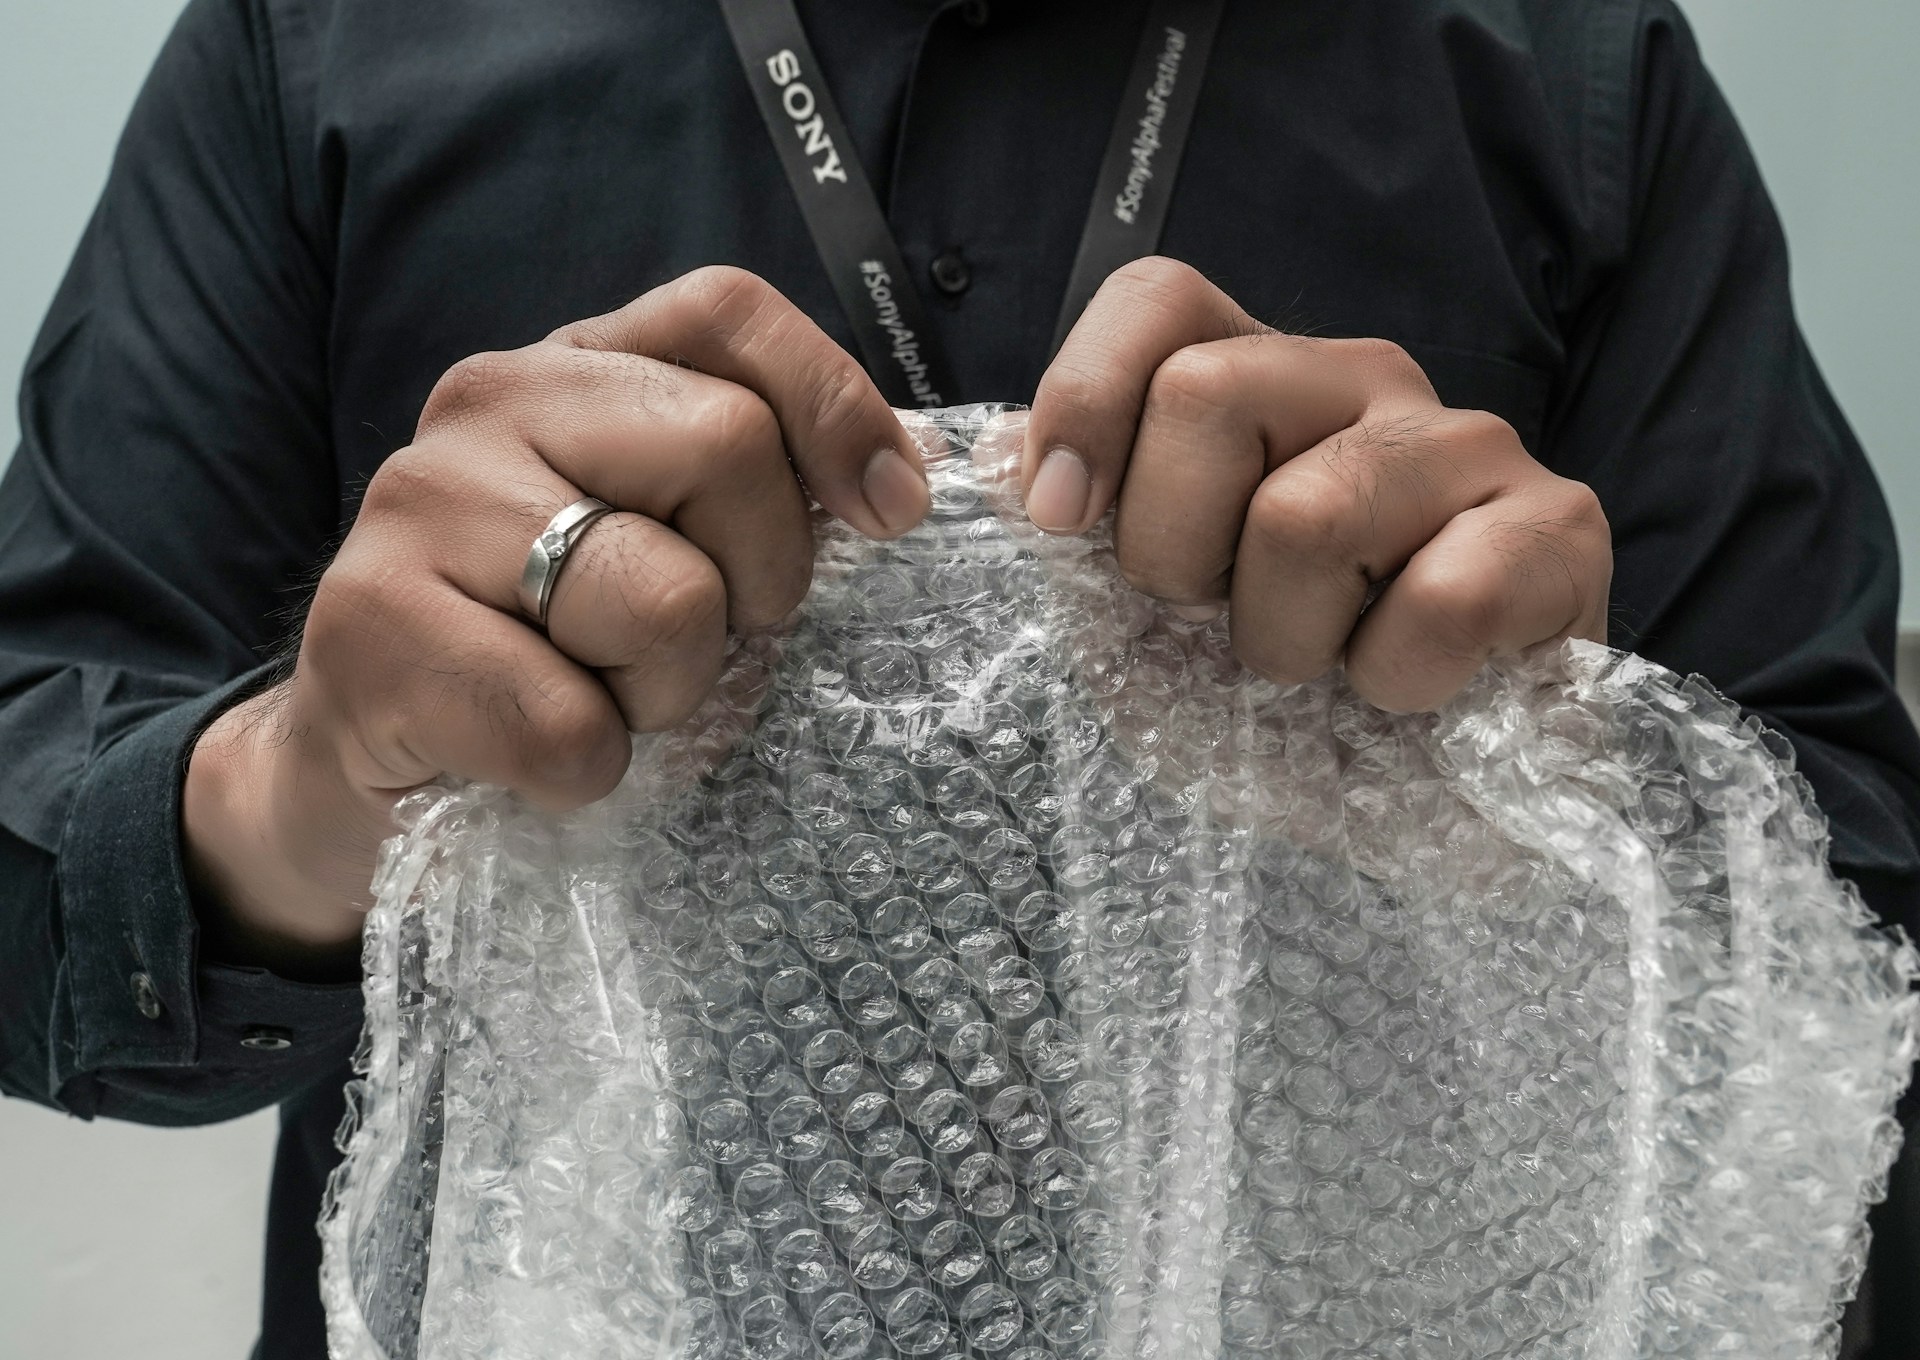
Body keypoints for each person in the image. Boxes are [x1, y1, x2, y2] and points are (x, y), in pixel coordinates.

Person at [1, 0, 1914, 1354]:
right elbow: (27, 859)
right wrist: (305, 788)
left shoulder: (1560, 69)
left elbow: (1858, 939)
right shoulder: (323, 41)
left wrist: (1540, 816)